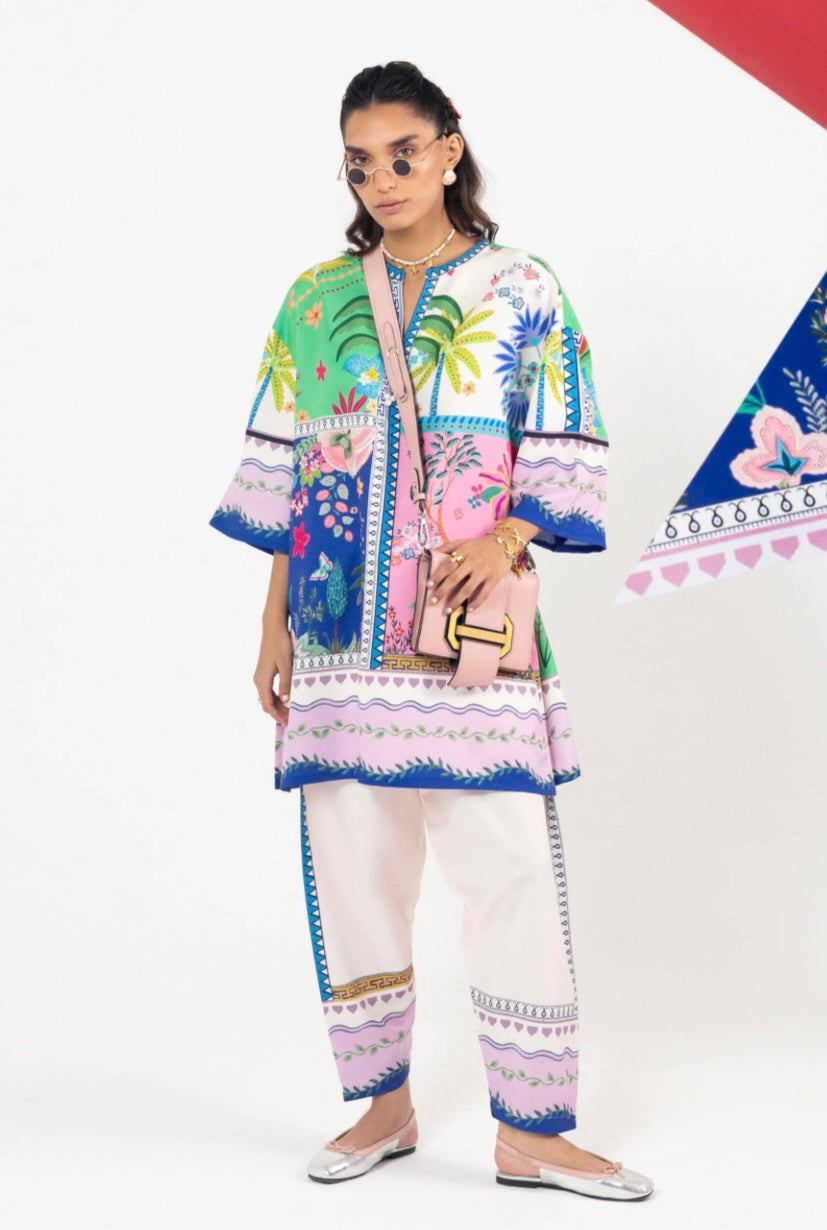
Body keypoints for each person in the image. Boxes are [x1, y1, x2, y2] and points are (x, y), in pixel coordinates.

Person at [208, 60, 654, 1200]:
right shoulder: (314, 300)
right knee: (355, 874)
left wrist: (506, 537)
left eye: (403, 153)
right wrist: (272, 627)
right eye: (361, 162)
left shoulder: (522, 289)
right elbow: (288, 468)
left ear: (450, 148)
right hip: (334, 640)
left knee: (508, 871)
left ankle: (531, 1131)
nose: (384, 177)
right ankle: (383, 1107)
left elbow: (563, 445)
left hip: (469, 643)